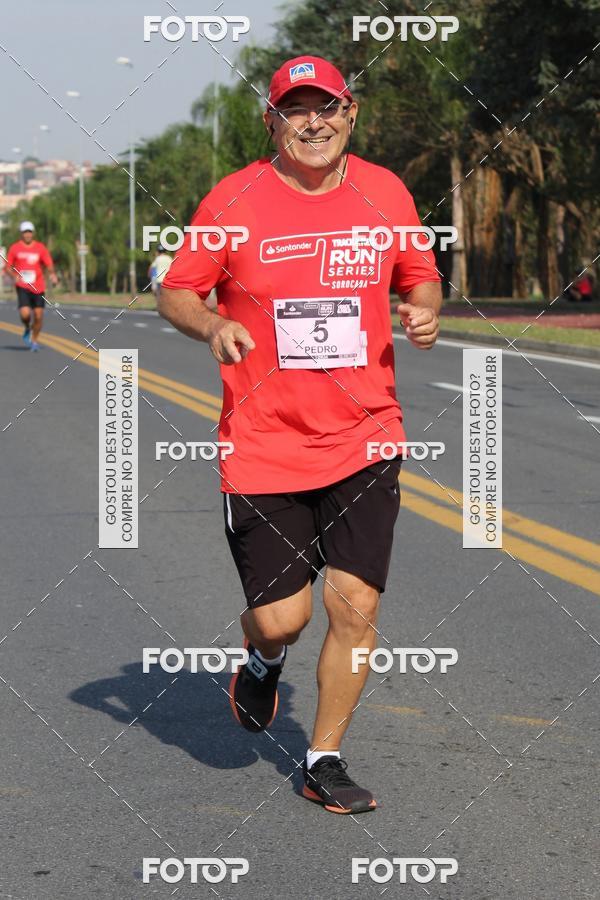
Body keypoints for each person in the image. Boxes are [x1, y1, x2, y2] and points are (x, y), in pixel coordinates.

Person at [159, 55, 442, 814]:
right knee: (287, 615)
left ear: (352, 113)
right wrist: (213, 321)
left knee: (355, 606)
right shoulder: (234, 198)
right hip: (264, 443)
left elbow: (419, 274)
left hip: (365, 434)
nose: (312, 122)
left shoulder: (384, 191)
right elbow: (177, 289)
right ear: (272, 122)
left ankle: (324, 758)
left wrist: (424, 311)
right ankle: (263, 654)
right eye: (295, 109)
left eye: (327, 107)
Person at [5, 221, 57, 351]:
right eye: (25, 232)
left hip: (38, 286)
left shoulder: (40, 248)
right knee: (25, 314)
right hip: (22, 286)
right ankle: (27, 327)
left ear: (32, 233)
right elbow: (8, 266)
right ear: (21, 234)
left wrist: (52, 274)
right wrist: (13, 275)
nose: (27, 234)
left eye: (29, 232)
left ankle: (34, 341)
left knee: (39, 315)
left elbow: (49, 263)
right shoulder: (15, 248)